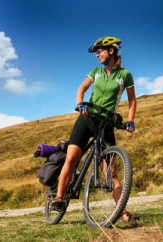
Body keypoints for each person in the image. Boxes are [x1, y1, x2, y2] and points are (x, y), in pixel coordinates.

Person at [52, 36, 137, 222]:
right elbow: (81, 88)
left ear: (111, 51)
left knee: (111, 172)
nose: (98, 54)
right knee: (72, 158)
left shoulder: (125, 75)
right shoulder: (96, 71)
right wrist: (80, 104)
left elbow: (132, 100)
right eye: (97, 52)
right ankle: (59, 197)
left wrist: (130, 121)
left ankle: (121, 211)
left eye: (101, 50)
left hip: (106, 124)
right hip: (86, 118)